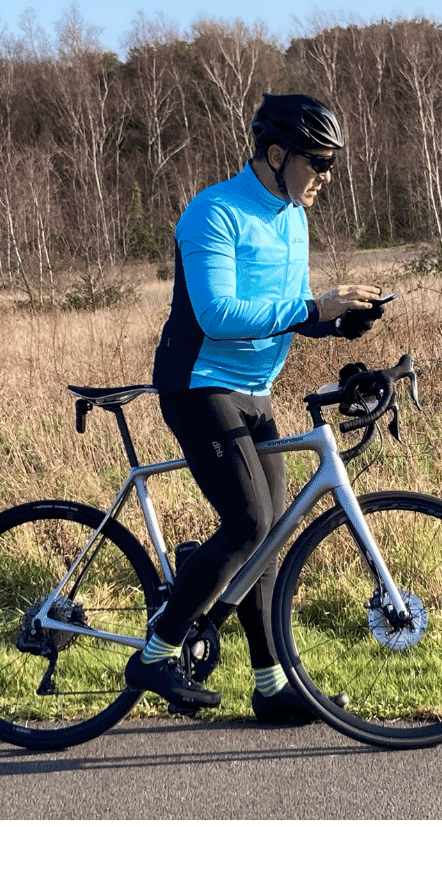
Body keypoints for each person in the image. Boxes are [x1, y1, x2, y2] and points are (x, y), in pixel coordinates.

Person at [124, 92, 388, 723]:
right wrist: (311, 310)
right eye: (318, 162)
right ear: (276, 155)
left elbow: (289, 307)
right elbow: (218, 316)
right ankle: (155, 654)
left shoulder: (292, 216)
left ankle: (271, 687)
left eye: (331, 165)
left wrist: (338, 324)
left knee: (269, 533)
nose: (326, 177)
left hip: (254, 391)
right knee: (247, 522)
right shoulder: (214, 212)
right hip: (199, 385)